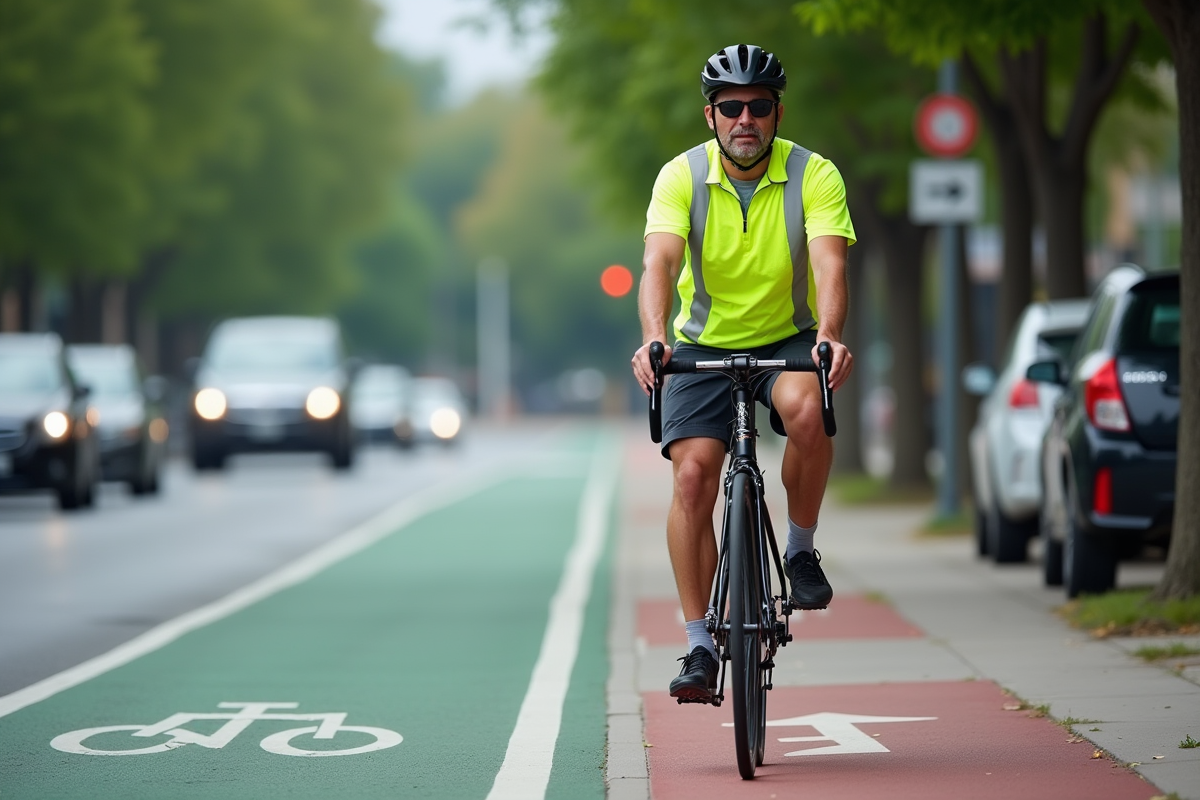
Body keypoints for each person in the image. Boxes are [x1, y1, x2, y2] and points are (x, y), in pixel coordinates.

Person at [630, 44, 856, 703]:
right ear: (711, 116)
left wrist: (831, 338)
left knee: (809, 411)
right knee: (695, 476)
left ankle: (801, 549)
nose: (746, 118)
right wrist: (652, 339)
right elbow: (659, 266)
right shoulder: (680, 177)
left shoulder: (816, 174)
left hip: (787, 340)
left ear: (778, 112)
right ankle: (700, 644)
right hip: (701, 347)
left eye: (759, 106)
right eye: (732, 107)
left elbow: (830, 267)